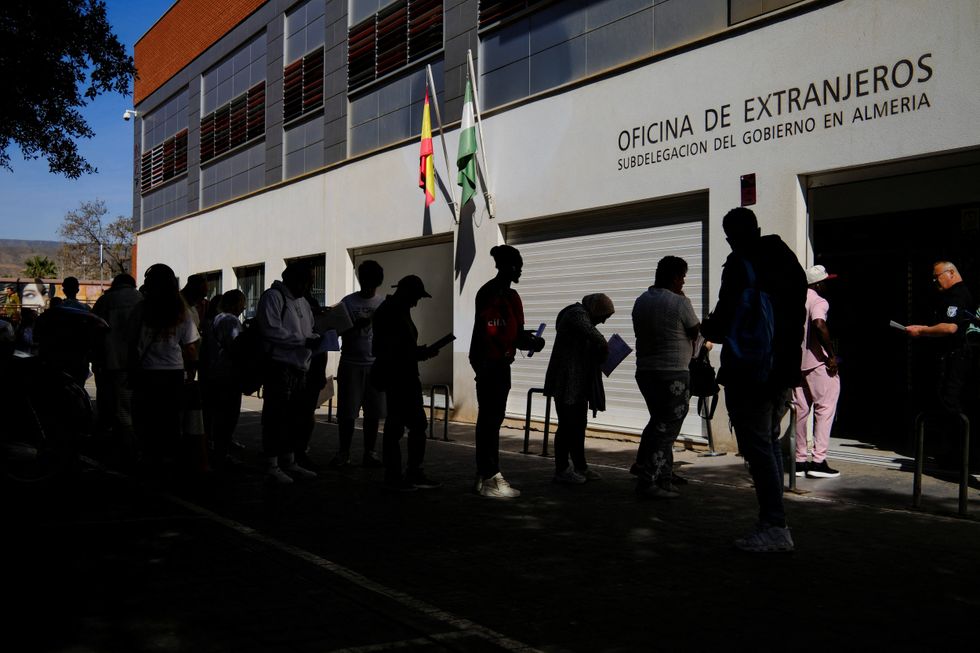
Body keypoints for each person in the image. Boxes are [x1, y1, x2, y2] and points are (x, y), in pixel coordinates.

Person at [701, 207, 806, 553]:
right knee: (770, 442)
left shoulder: (740, 263)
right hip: (784, 368)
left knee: (758, 446)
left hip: (751, 369)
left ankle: (774, 524)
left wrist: (709, 327)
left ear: (730, 237)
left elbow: (724, 319)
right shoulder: (787, 261)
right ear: (758, 227)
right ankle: (776, 522)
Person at [469, 245, 544, 498]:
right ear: (509, 267)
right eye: (518, 265)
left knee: (492, 419)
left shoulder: (512, 297)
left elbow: (516, 334)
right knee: (489, 420)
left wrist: (531, 341)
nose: (521, 270)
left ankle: (485, 474)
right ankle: (490, 476)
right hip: (490, 365)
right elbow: (491, 332)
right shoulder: (490, 294)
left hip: (501, 364)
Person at [630, 256, 701, 498]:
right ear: (674, 277)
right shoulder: (679, 302)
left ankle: (664, 477)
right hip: (674, 374)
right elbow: (695, 332)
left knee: (658, 423)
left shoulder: (641, 300)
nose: (683, 282)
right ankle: (648, 480)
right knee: (667, 429)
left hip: (646, 371)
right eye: (682, 277)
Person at [371, 275, 442, 491]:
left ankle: (404, 473)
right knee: (403, 426)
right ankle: (402, 474)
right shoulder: (389, 312)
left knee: (404, 425)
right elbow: (388, 350)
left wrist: (418, 352)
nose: (416, 302)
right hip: (399, 377)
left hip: (405, 375)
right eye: (416, 297)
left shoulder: (397, 310)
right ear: (407, 293)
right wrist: (420, 353)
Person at [906, 261, 980, 464]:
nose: (934, 281)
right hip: (957, 356)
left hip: (958, 357)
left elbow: (950, 328)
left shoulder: (957, 295)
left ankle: (958, 455)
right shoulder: (957, 294)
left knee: (952, 403)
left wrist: (921, 330)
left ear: (951, 273)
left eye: (936, 276)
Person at [130, 264, 200, 474]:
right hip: (173, 374)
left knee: (146, 421)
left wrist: (130, 371)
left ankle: (149, 458)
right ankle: (169, 461)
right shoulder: (182, 311)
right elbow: (190, 347)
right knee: (171, 421)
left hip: (146, 373)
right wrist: (191, 373)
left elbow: (131, 343)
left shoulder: (140, 310)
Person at [257, 261, 319, 484]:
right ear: (294, 280)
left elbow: (309, 329)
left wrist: (313, 341)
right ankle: (271, 463)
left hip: (300, 367)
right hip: (279, 365)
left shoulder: (302, 302)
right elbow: (271, 330)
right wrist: (304, 341)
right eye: (307, 282)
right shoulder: (273, 297)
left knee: (295, 417)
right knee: (276, 416)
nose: (309, 287)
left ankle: (289, 459)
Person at [544, 293, 614, 484]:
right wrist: (604, 345)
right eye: (603, 317)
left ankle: (580, 466)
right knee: (567, 425)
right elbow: (592, 334)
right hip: (565, 381)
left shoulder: (583, 317)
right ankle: (562, 469)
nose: (603, 322)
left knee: (578, 425)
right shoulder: (576, 313)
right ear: (596, 310)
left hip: (578, 383)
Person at [331, 260, 386, 468]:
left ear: (378, 282)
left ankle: (369, 452)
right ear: (360, 279)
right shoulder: (347, 302)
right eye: (365, 281)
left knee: (373, 413)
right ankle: (343, 452)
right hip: (350, 363)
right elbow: (335, 330)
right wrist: (356, 325)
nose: (368, 285)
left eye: (372, 282)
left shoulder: (382, 304)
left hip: (375, 364)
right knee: (346, 413)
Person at [792, 265, 841, 479]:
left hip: (796, 364)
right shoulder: (818, 300)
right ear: (818, 283)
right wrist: (830, 355)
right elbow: (819, 324)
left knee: (800, 412)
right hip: (817, 364)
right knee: (825, 409)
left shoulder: (794, 299)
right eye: (826, 281)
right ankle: (818, 461)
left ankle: (800, 460)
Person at [91, 273, 144, 463]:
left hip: (109, 362)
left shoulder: (105, 301)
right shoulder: (140, 300)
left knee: (108, 404)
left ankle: (115, 443)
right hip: (135, 363)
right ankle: (131, 445)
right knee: (130, 406)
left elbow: (94, 333)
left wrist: (96, 360)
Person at [203, 289, 246, 469]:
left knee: (218, 417)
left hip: (214, 374)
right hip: (226, 376)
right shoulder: (229, 320)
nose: (243, 309)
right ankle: (221, 454)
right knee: (226, 418)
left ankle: (217, 452)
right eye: (241, 304)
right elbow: (236, 346)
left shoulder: (216, 319)